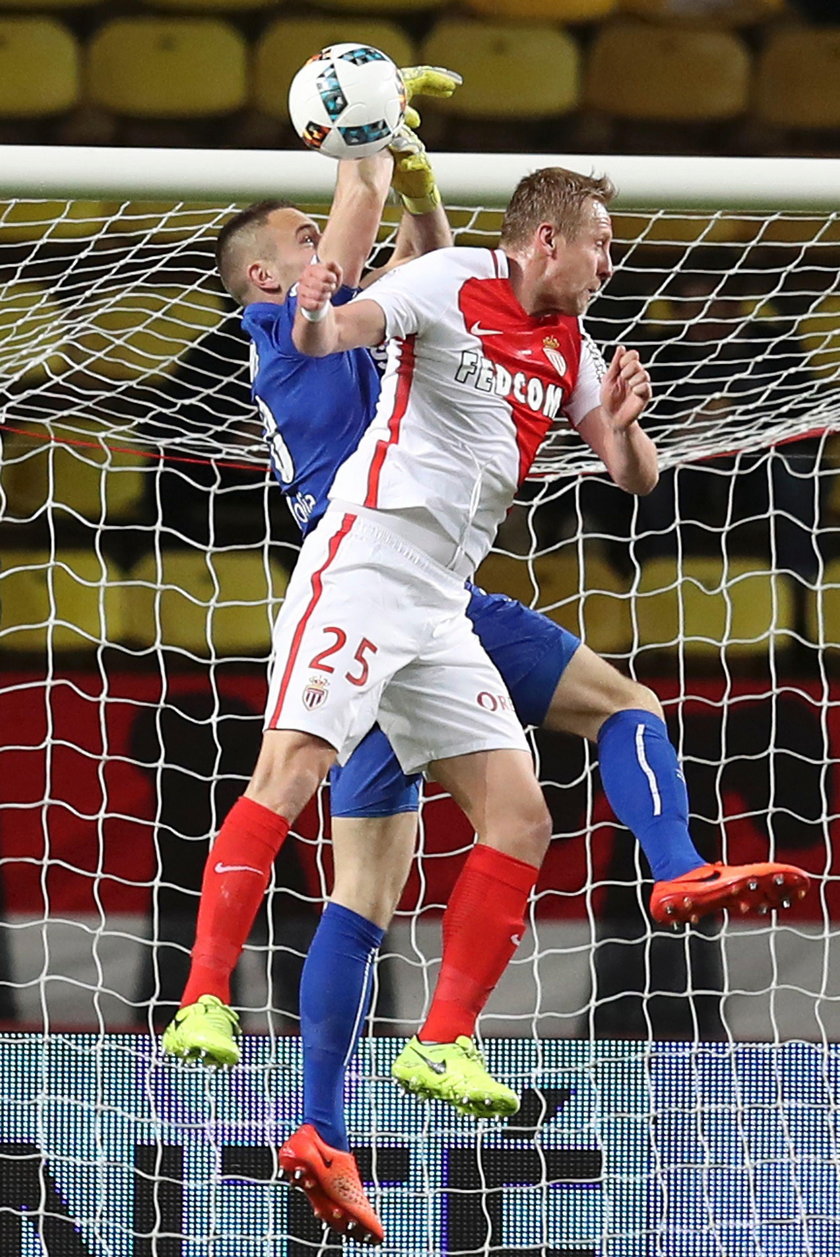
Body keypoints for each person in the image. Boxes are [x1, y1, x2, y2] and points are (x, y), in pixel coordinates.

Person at [162, 98, 811, 1243]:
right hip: (364, 566)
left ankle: (370, 1093)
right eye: (301, 245)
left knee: (487, 827)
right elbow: (382, 276)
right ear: (270, 277)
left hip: (440, 602)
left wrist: (619, 423)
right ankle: (214, 1009)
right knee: (324, 818)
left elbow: (607, 448)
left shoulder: (528, 328)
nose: (321, 246)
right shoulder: (304, 334)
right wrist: (378, 142)